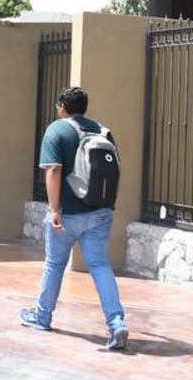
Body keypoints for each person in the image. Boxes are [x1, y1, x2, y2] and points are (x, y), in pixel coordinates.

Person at [19, 86, 129, 350]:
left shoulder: (57, 130)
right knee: (100, 266)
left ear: (62, 107)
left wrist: (54, 209)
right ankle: (116, 323)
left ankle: (42, 317)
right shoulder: (104, 132)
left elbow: (53, 170)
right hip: (100, 212)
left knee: (54, 265)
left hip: (66, 214)